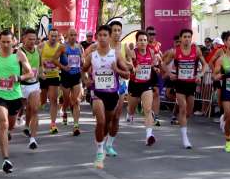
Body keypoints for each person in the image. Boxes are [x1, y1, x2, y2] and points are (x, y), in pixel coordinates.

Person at [0, 30, 33, 174]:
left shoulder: (19, 55)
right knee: (3, 123)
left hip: (15, 96)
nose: (5, 44)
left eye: (8, 41)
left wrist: (19, 78)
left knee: (10, 125)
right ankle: (6, 159)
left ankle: (8, 133)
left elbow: (30, 73)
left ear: (13, 42)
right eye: (3, 41)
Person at [83, 25, 131, 168]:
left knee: (108, 123)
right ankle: (99, 153)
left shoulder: (116, 54)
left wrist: (116, 69)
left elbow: (127, 74)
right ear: (96, 37)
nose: (102, 38)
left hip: (112, 94)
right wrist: (86, 80)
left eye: (105, 35)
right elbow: (83, 70)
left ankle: (102, 143)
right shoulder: (92, 55)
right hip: (97, 93)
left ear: (109, 37)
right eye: (100, 35)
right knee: (101, 121)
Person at [161, 28, 204, 150]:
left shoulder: (197, 51)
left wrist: (200, 75)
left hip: (191, 84)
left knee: (188, 112)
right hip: (180, 83)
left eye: (189, 37)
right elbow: (163, 64)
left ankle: (182, 121)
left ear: (191, 38)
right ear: (180, 39)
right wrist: (170, 74)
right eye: (184, 37)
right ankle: (185, 138)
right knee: (183, 108)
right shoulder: (175, 52)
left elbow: (205, 64)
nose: (187, 39)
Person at [126, 32, 160, 146]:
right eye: (140, 40)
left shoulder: (150, 51)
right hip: (134, 84)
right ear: (137, 42)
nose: (143, 42)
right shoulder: (132, 52)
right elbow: (128, 65)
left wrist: (155, 67)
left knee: (148, 109)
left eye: (145, 40)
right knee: (131, 109)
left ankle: (149, 135)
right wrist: (133, 68)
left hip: (146, 84)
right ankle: (130, 114)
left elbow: (151, 64)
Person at [18, 29, 42, 150]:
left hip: (34, 84)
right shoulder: (19, 52)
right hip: (20, 85)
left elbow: (40, 65)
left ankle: (32, 139)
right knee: (23, 108)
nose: (32, 41)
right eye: (29, 39)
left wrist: (42, 74)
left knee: (35, 109)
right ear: (23, 39)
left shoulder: (38, 50)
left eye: (34, 39)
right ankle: (23, 123)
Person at [40, 28, 65, 135]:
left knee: (54, 100)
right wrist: (41, 70)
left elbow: (64, 59)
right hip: (44, 76)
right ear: (48, 36)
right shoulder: (42, 46)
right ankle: (35, 114)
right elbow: (37, 60)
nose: (54, 38)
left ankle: (53, 124)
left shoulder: (60, 47)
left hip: (54, 75)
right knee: (43, 101)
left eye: (56, 36)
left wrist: (61, 67)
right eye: (52, 36)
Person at [60, 30, 84, 136]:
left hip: (76, 76)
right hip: (66, 76)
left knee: (76, 101)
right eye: (71, 35)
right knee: (66, 100)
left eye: (75, 35)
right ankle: (64, 111)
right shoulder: (62, 47)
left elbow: (82, 61)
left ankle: (76, 125)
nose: (73, 37)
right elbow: (54, 60)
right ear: (67, 36)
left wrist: (83, 63)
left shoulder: (79, 47)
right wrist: (63, 67)